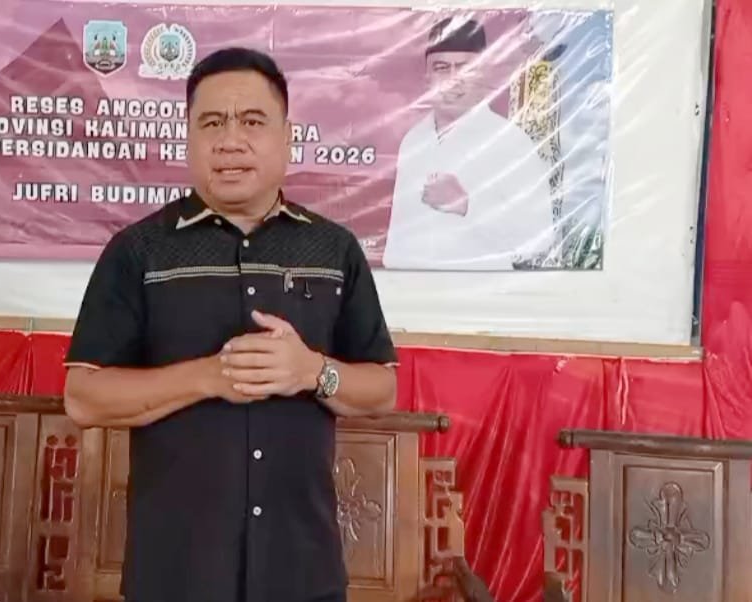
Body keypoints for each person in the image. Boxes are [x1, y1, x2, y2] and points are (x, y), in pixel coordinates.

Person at [63, 47, 399, 602]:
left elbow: (382, 389)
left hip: (302, 570)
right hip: (176, 573)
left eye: (253, 121)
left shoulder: (334, 250)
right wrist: (208, 377)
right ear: (188, 137)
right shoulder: (138, 251)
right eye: (212, 123)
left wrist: (312, 371)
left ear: (288, 137)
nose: (230, 141)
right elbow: (83, 397)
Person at [382, 16, 555, 270]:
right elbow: (399, 239)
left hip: (482, 293)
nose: (454, 79)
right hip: (411, 290)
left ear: (483, 73)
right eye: (442, 68)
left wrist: (466, 205)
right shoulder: (414, 140)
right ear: (427, 77)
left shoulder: (509, 142)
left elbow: (539, 238)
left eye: (465, 68)